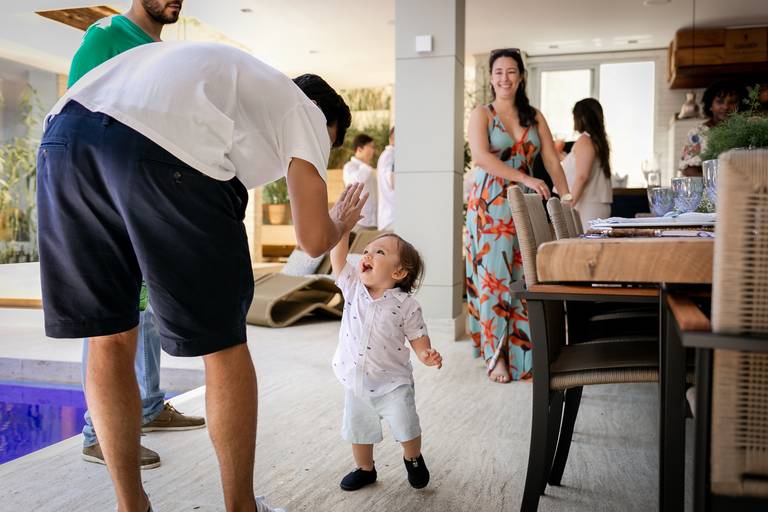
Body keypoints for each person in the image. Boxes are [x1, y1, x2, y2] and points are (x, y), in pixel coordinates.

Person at [37, 41, 363, 512]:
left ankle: (131, 506)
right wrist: (341, 222)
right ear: (324, 120)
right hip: (162, 152)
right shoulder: (306, 110)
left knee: (109, 336)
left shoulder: (233, 86)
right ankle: (241, 508)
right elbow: (313, 239)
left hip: (64, 140)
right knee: (223, 345)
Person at [68, 0, 205, 472]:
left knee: (144, 309)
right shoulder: (106, 36)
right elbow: (73, 120)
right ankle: (99, 433)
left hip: (148, 197)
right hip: (107, 199)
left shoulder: (163, 54)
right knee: (108, 315)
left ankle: (147, 405)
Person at [465, 48, 571, 383]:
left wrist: (566, 197)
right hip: (490, 205)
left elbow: (551, 160)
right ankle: (496, 356)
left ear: (521, 77)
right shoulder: (482, 114)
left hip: (525, 204)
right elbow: (481, 157)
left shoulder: (534, 116)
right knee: (494, 278)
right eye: (498, 72)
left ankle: (524, 355)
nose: (504, 78)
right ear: (491, 78)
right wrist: (524, 177)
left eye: (511, 71)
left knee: (525, 277)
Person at [329, 231, 442, 491]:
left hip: (393, 383)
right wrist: (343, 229)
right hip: (357, 380)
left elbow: (418, 337)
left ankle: (412, 458)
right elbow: (338, 258)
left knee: (406, 425)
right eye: (366, 251)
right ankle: (365, 469)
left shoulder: (406, 305)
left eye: (379, 252)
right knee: (359, 429)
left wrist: (425, 354)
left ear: (399, 272)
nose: (368, 255)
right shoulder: (353, 287)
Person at [562, 98, 612, 229]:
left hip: (587, 207)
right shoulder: (596, 140)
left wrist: (568, 205)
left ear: (581, 118)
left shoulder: (585, 140)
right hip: (594, 205)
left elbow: (582, 176)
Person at [679, 80, 747, 176]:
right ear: (710, 105)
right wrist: (718, 179)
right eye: (720, 102)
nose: (726, 106)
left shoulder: (746, 132)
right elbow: (687, 169)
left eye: (732, 102)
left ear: (740, 105)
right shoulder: (697, 133)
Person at [343, 133, 378, 229]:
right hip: (358, 222)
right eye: (370, 147)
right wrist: (366, 165)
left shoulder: (369, 169)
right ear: (359, 149)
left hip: (375, 221)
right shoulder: (350, 166)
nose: (373, 150)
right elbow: (356, 182)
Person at [377, 127, 395, 230]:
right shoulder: (390, 155)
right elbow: (393, 181)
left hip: (391, 218)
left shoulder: (389, 155)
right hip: (392, 219)